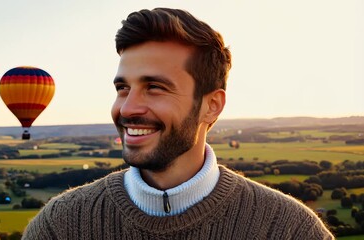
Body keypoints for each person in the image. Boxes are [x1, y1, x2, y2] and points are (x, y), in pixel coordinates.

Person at [22, 8, 334, 239]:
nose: (128, 108)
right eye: (122, 88)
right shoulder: (59, 225)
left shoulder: (289, 230)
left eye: (154, 87)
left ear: (212, 106)